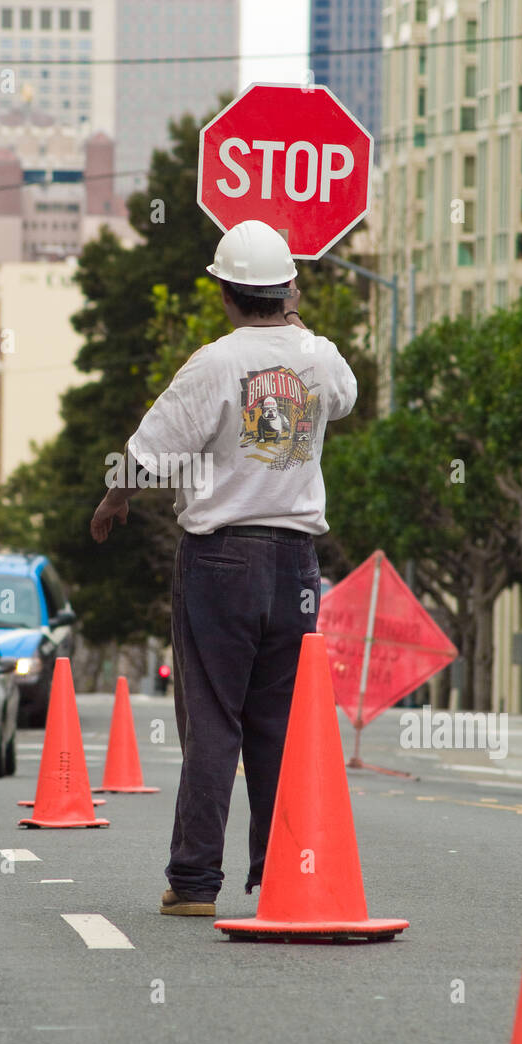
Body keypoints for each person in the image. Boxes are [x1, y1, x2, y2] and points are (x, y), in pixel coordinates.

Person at [90, 220, 357, 916]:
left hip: (221, 560)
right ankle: (280, 873)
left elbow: (149, 450)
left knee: (212, 721)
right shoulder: (319, 357)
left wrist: (114, 500)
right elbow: (347, 396)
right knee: (277, 725)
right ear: (286, 289)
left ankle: (194, 883)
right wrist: (298, 321)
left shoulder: (213, 363)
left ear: (223, 293)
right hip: (295, 563)